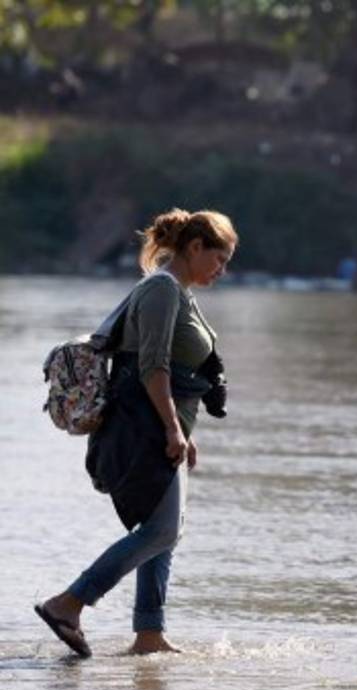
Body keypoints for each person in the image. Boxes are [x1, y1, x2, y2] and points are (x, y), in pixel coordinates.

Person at [35, 208, 237, 657]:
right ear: (195, 247)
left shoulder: (179, 291)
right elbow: (153, 367)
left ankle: (149, 635)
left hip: (166, 426)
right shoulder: (162, 289)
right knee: (162, 531)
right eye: (219, 259)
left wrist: (185, 430)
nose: (223, 270)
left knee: (164, 529)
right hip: (145, 428)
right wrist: (171, 428)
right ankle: (68, 603)